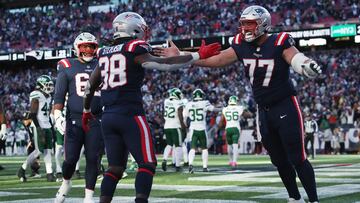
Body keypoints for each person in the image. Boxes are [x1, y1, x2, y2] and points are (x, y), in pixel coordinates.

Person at [158, 5, 322, 203]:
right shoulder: (240, 43)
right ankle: (294, 198)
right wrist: (184, 55)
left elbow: (294, 57)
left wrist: (305, 65)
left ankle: (313, 200)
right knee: (279, 160)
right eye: (243, 24)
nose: (245, 29)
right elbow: (217, 59)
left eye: (250, 24)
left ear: (263, 24)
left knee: (297, 157)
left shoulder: (279, 41)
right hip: (264, 110)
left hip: (285, 105)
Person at [82, 11, 220, 203]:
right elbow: (164, 65)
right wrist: (197, 55)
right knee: (147, 163)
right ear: (134, 29)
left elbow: (90, 86)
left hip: (108, 116)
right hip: (130, 114)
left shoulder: (104, 52)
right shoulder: (134, 48)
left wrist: (87, 111)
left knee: (115, 168)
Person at [53, 32, 104, 203]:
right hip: (74, 119)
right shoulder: (67, 66)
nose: (88, 50)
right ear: (77, 48)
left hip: (97, 119)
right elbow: (59, 95)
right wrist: (57, 115)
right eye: (84, 47)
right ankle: (66, 182)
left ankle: (88, 197)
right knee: (70, 160)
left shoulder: (103, 65)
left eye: (91, 47)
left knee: (93, 158)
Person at [17, 75, 56, 182]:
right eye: (47, 85)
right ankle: (22, 169)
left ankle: (49, 173)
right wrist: (39, 129)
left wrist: (51, 128)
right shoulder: (36, 94)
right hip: (39, 125)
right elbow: (33, 114)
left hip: (47, 125)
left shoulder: (48, 97)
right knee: (38, 151)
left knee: (48, 151)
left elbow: (47, 115)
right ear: (41, 85)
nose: (50, 87)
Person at [183, 89, 221, 173]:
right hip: (202, 129)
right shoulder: (205, 103)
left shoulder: (188, 104)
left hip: (193, 129)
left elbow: (185, 119)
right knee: (204, 149)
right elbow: (214, 109)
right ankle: (204, 167)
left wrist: (186, 125)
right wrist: (223, 109)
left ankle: (190, 164)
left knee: (192, 148)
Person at [218, 95, 251, 168]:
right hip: (236, 128)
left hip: (228, 128)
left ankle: (230, 161)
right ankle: (234, 161)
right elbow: (249, 115)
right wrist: (246, 109)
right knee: (235, 145)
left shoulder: (225, 109)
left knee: (229, 145)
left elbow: (221, 121)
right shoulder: (239, 108)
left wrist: (219, 127)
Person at [162, 88, 187, 172]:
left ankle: (164, 159)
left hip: (166, 126)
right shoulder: (179, 103)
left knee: (169, 144)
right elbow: (180, 115)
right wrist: (183, 125)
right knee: (178, 146)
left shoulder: (166, 101)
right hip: (175, 126)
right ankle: (177, 165)